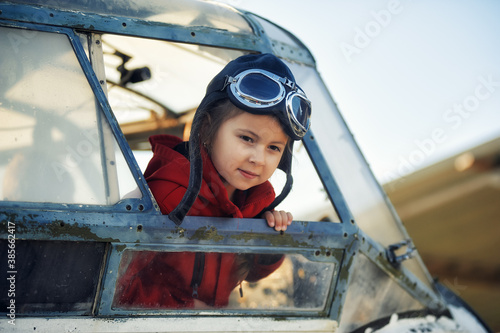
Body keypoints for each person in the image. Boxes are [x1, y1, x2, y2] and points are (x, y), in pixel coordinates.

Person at [115, 53, 312, 309]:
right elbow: (114, 287)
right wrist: (188, 311)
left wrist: (268, 244)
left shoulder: (253, 203)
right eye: (247, 139)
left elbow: (249, 274)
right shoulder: (166, 198)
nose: (258, 159)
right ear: (206, 129)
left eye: (274, 147)